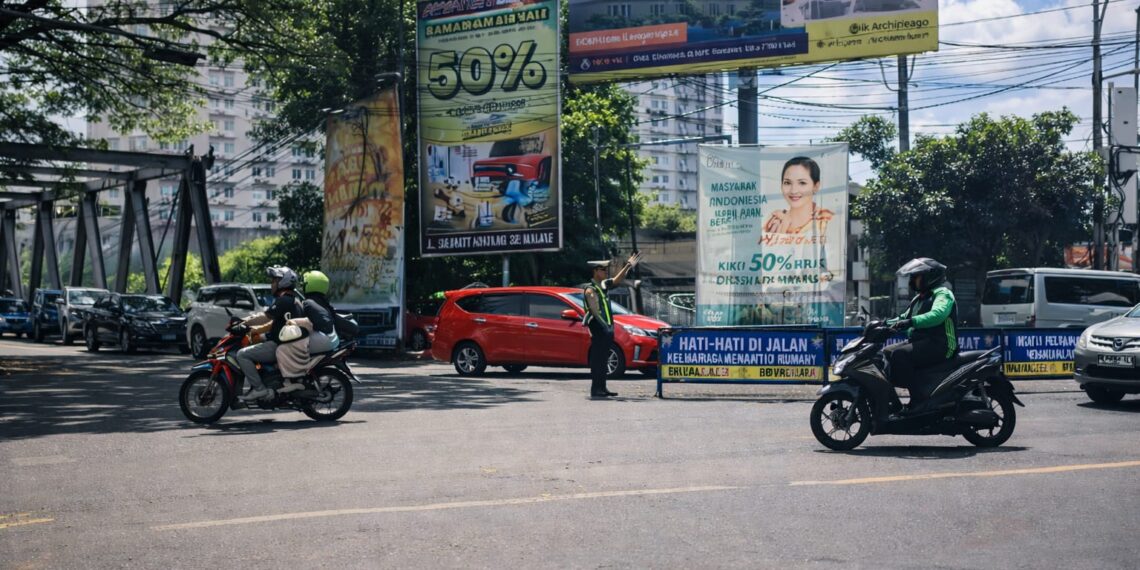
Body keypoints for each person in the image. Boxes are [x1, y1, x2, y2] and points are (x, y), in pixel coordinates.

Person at [883, 257, 958, 412]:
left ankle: (919, 400)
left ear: (929, 277)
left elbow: (938, 314)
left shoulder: (942, 294)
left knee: (900, 355)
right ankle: (891, 402)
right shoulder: (920, 298)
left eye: (916, 277)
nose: (912, 281)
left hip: (942, 344)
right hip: (923, 341)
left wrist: (911, 322)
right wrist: (883, 324)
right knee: (887, 353)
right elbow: (904, 318)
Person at [234, 265, 304, 401]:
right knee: (256, 340)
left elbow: (266, 317)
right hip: (288, 345)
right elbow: (273, 324)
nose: (271, 284)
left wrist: (243, 323)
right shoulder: (293, 300)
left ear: (283, 282)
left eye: (274, 281)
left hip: (280, 345)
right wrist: (255, 330)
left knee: (242, 355)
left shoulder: (283, 300)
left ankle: (259, 389)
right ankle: (268, 380)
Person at [583, 252, 641, 398]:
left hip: (607, 329)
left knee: (603, 360)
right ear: (595, 271)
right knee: (597, 360)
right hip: (598, 328)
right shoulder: (590, 289)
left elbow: (616, 280)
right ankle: (596, 389)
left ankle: (602, 388)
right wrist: (604, 327)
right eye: (602, 270)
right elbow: (595, 312)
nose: (605, 272)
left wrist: (627, 266)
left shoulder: (602, 286)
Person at [763, 156, 835, 236]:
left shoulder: (827, 219)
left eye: (802, 183)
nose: (793, 191)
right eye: (787, 183)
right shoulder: (774, 220)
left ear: (816, 187)